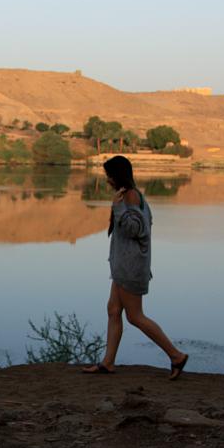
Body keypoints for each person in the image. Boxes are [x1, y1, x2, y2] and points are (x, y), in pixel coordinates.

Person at [82, 155, 189, 380]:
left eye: (109, 175)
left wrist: (117, 209)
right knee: (113, 309)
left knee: (135, 316)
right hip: (124, 266)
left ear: (117, 175)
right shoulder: (128, 195)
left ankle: (176, 355)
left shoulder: (129, 197)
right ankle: (108, 363)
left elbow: (136, 229)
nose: (107, 180)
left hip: (131, 268)